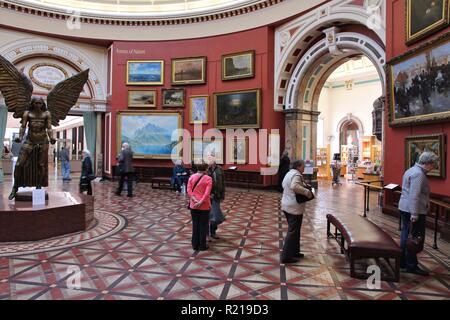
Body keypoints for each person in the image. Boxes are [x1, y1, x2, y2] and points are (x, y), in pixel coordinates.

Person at [398, 151, 439, 276]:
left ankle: (403, 261)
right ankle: (411, 265)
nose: (435, 167)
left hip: (405, 208)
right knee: (414, 238)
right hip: (413, 210)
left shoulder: (411, 170)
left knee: (406, 234)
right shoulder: (419, 174)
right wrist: (415, 214)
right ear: (427, 163)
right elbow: (414, 195)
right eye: (434, 164)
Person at [8, 97, 56, 200]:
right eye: (36, 103)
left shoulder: (46, 114)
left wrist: (51, 137)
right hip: (29, 141)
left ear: (42, 104)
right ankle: (15, 187)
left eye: (40, 103)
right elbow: (23, 126)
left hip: (43, 141)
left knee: (41, 165)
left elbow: (49, 127)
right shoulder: (27, 113)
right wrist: (20, 137)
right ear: (32, 104)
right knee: (19, 164)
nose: (38, 105)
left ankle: (38, 186)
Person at [280, 159, 314, 264]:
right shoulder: (296, 175)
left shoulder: (289, 173)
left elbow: (283, 185)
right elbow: (294, 186)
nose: (304, 168)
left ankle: (295, 251)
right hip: (293, 207)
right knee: (293, 231)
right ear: (298, 166)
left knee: (295, 231)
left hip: (286, 205)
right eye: (303, 166)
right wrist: (307, 192)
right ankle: (286, 257)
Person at [187, 163, 212, 251]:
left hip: (193, 205)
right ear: (205, 169)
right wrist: (201, 202)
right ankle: (202, 245)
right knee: (203, 225)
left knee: (195, 224)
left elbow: (189, 190)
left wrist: (194, 200)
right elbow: (207, 193)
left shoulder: (191, 177)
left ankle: (195, 244)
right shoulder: (208, 178)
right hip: (204, 205)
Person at [207, 158, 226, 240]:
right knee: (207, 215)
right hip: (207, 196)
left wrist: (222, 195)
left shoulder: (220, 169)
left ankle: (213, 232)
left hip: (217, 195)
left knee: (215, 215)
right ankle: (206, 234)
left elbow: (223, 182)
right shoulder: (206, 170)